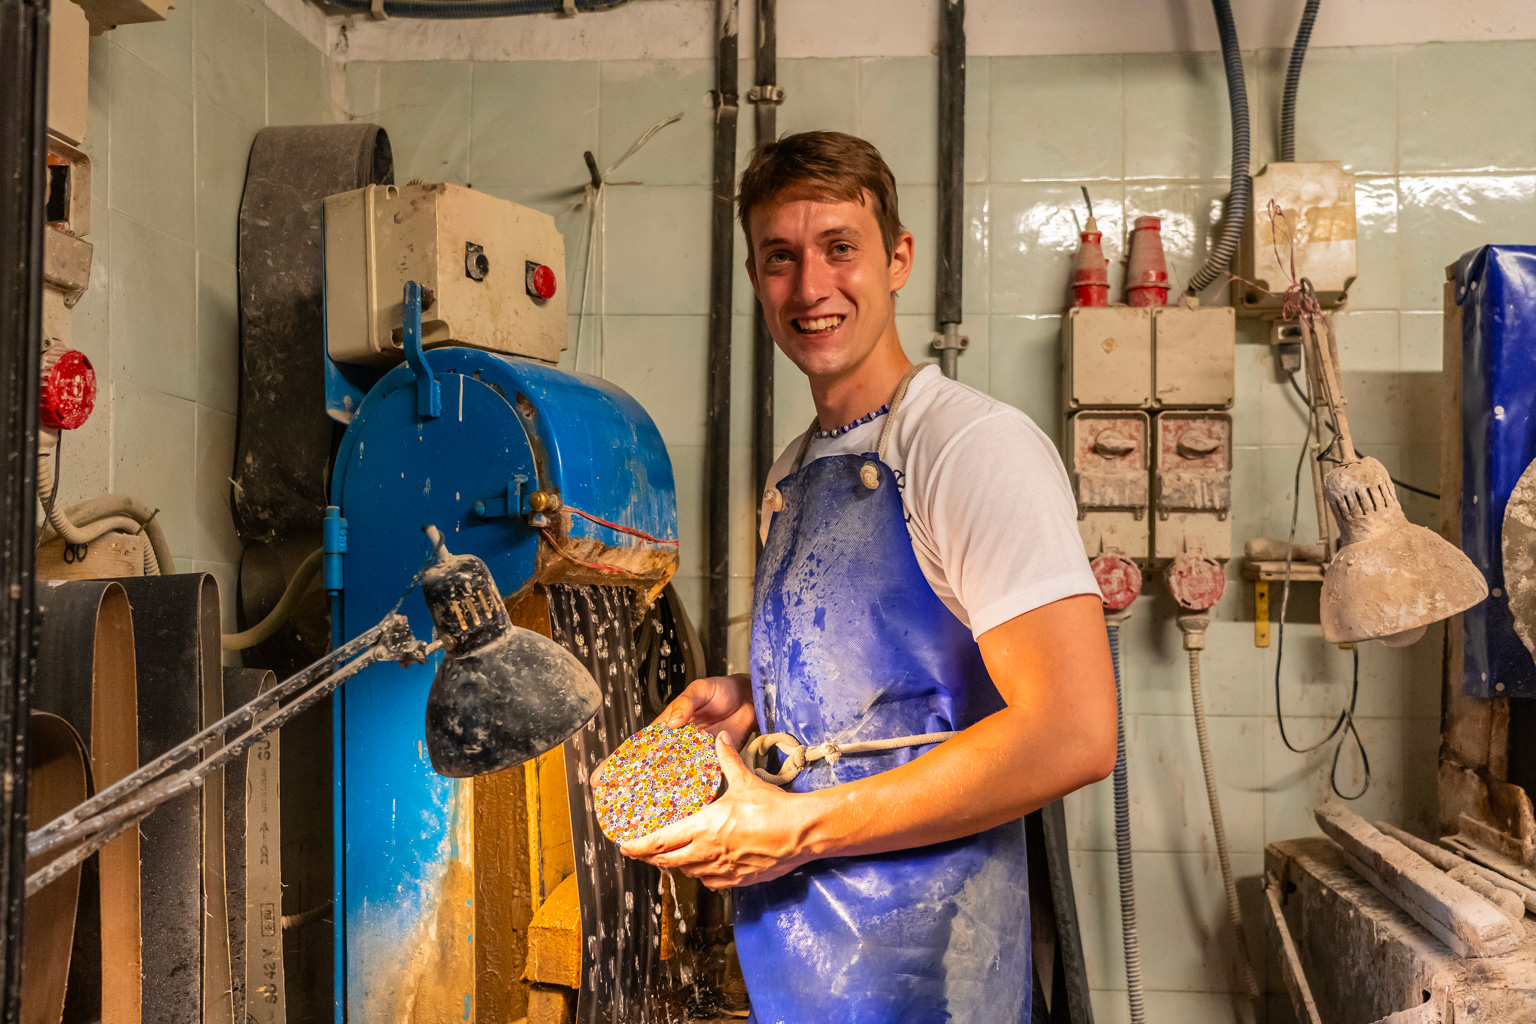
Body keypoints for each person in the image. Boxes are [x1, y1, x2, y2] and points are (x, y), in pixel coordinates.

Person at [622, 131, 1118, 1023]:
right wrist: (760, 697)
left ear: (897, 259)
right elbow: (901, 680)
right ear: (754, 276)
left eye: (839, 248)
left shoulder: (969, 448)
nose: (810, 288)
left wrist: (797, 829)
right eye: (781, 258)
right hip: (803, 969)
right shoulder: (792, 474)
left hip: (936, 974)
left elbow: (1074, 731)